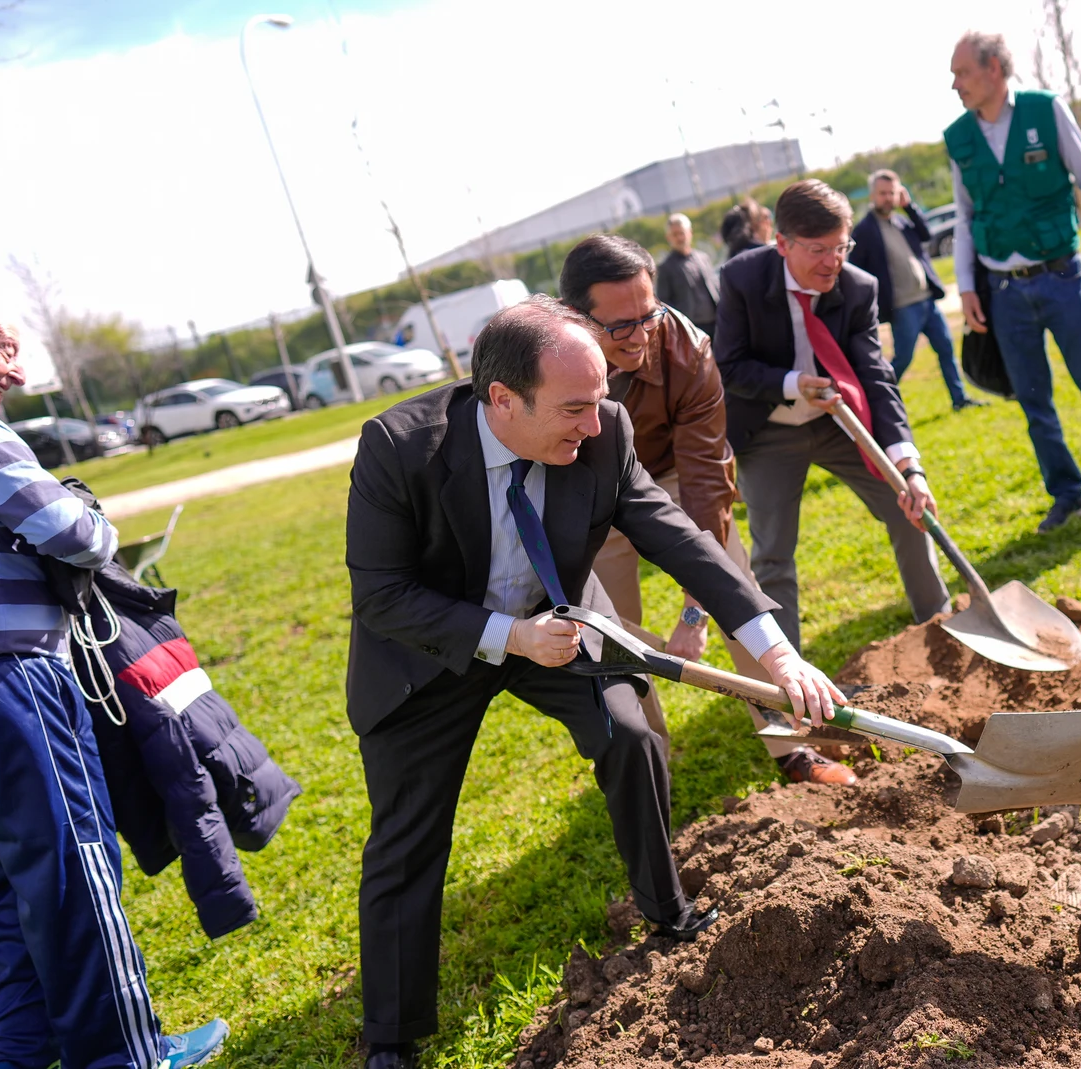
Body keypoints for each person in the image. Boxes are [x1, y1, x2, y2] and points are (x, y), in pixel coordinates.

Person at [344, 294, 848, 1063]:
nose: (594, 423)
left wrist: (774, 648)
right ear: (501, 400)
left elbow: (677, 537)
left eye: (601, 401)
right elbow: (381, 594)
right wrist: (507, 637)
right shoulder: (398, 446)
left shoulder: (604, 427)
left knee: (632, 733)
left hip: (559, 619)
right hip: (433, 648)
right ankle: (392, 1037)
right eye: (573, 408)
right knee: (408, 841)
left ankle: (666, 906)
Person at [0, 289, 229, 1069]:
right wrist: (92, 514)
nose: (15, 366)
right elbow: (71, 532)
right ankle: (126, 1058)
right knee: (72, 871)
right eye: (2, 346)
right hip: (4, 684)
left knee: (5, 882)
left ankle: (16, 1052)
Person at [560, 234, 856, 785]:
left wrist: (697, 606)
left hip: (669, 473)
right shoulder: (542, 355)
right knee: (609, 641)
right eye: (620, 325)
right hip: (583, 486)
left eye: (648, 316)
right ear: (575, 318)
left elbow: (705, 481)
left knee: (734, 588)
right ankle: (650, 766)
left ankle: (792, 747)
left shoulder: (687, 349)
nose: (640, 335)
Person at [712, 179, 951, 653]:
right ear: (782, 244)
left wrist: (910, 467)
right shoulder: (742, 278)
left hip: (838, 423)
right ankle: (791, 680)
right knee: (773, 556)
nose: (832, 262)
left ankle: (940, 628)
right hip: (768, 430)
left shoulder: (859, 287)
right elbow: (730, 365)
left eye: (841, 247)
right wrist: (791, 383)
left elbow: (876, 376)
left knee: (908, 509)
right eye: (818, 250)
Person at [946, 31, 1081, 533]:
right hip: (1004, 293)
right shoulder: (958, 138)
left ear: (994, 70)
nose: (955, 84)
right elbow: (965, 220)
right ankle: (1068, 495)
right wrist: (967, 287)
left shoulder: (1046, 110)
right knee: (1035, 404)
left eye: (962, 72)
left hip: (1063, 280)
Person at [848, 169, 982, 412]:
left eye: (892, 193)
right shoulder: (865, 230)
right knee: (903, 359)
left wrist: (909, 207)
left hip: (927, 301)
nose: (887, 198)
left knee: (946, 349)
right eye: (882, 193)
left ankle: (959, 398)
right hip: (902, 307)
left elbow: (926, 235)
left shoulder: (900, 221)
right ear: (872, 195)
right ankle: (877, 401)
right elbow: (855, 270)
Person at [654, 213, 720, 336]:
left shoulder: (703, 258)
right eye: (675, 234)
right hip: (691, 330)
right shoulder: (665, 267)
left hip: (716, 323)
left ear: (690, 233)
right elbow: (664, 303)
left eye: (682, 233)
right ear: (668, 237)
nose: (679, 238)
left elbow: (715, 287)